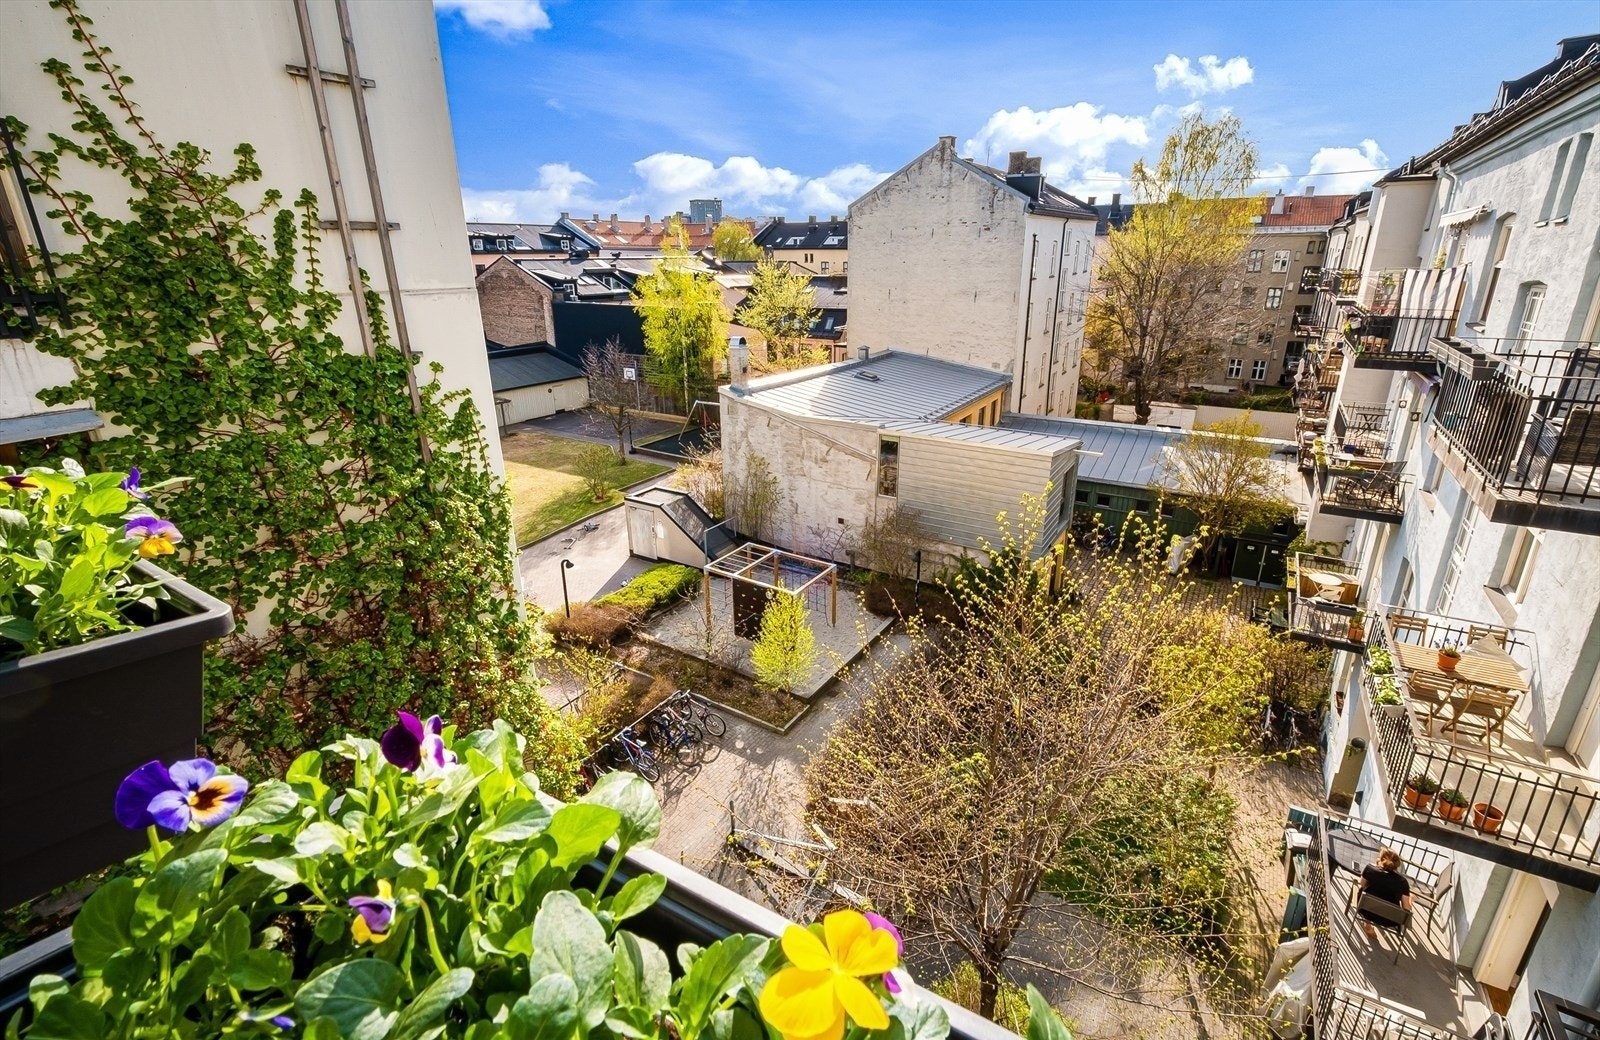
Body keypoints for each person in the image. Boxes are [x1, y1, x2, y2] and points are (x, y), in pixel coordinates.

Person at [1358, 846, 1413, 940]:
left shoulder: (1370, 869)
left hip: (1365, 911)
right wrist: (1411, 900)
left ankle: (1367, 923)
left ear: (1380, 859)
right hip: (1389, 920)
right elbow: (1406, 908)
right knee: (1408, 905)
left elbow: (1362, 885)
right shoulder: (1403, 882)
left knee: (1362, 891)